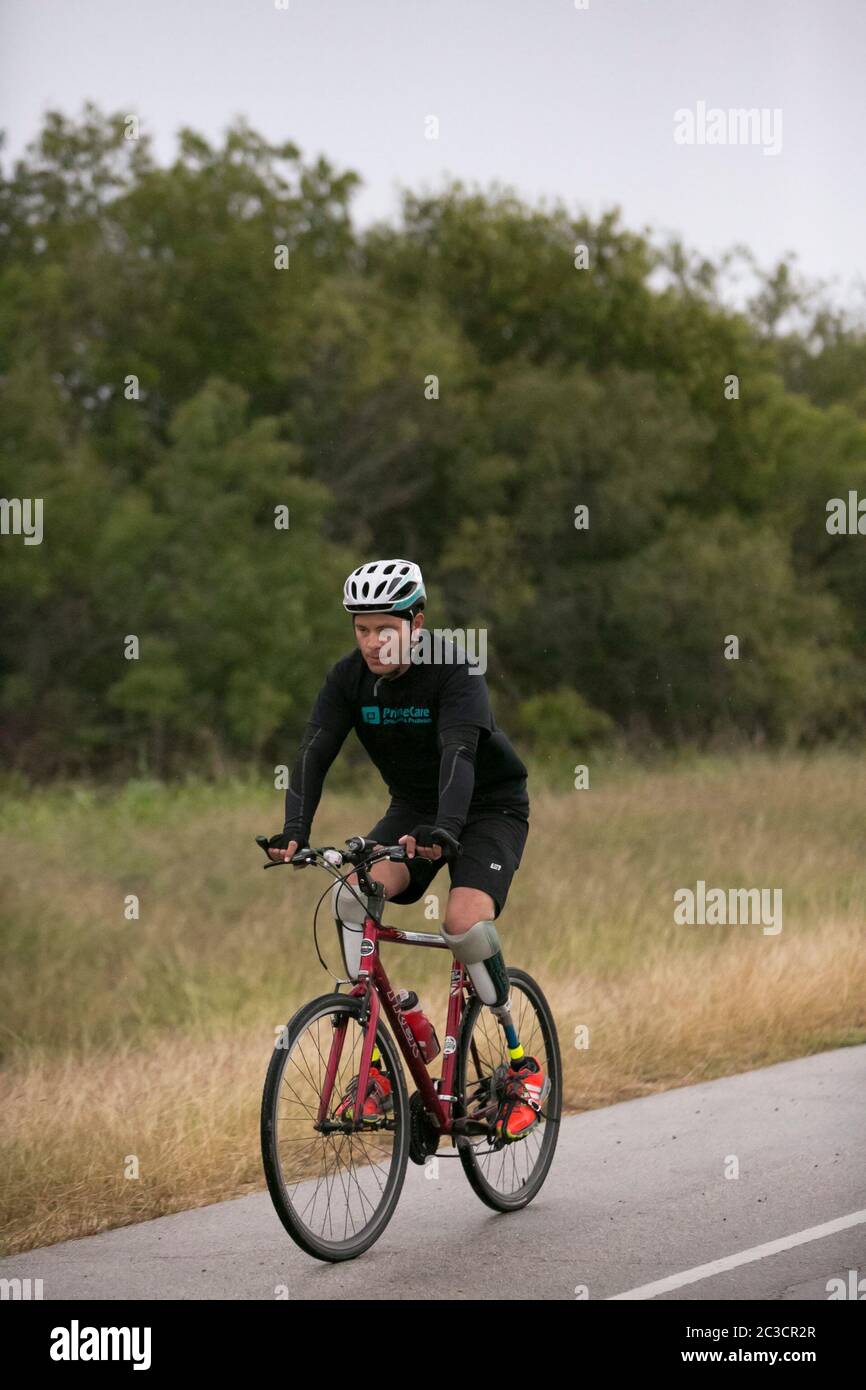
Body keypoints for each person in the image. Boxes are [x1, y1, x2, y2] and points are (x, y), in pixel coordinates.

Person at [267, 558, 547, 1140]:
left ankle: (521, 1065)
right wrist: (295, 829)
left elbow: (459, 756)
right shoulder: (347, 679)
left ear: (416, 623)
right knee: (351, 896)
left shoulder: (454, 671)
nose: (372, 643)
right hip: (415, 811)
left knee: (463, 922)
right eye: (362, 629)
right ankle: (384, 1058)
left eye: (384, 629)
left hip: (488, 806)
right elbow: (315, 750)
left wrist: (446, 833)